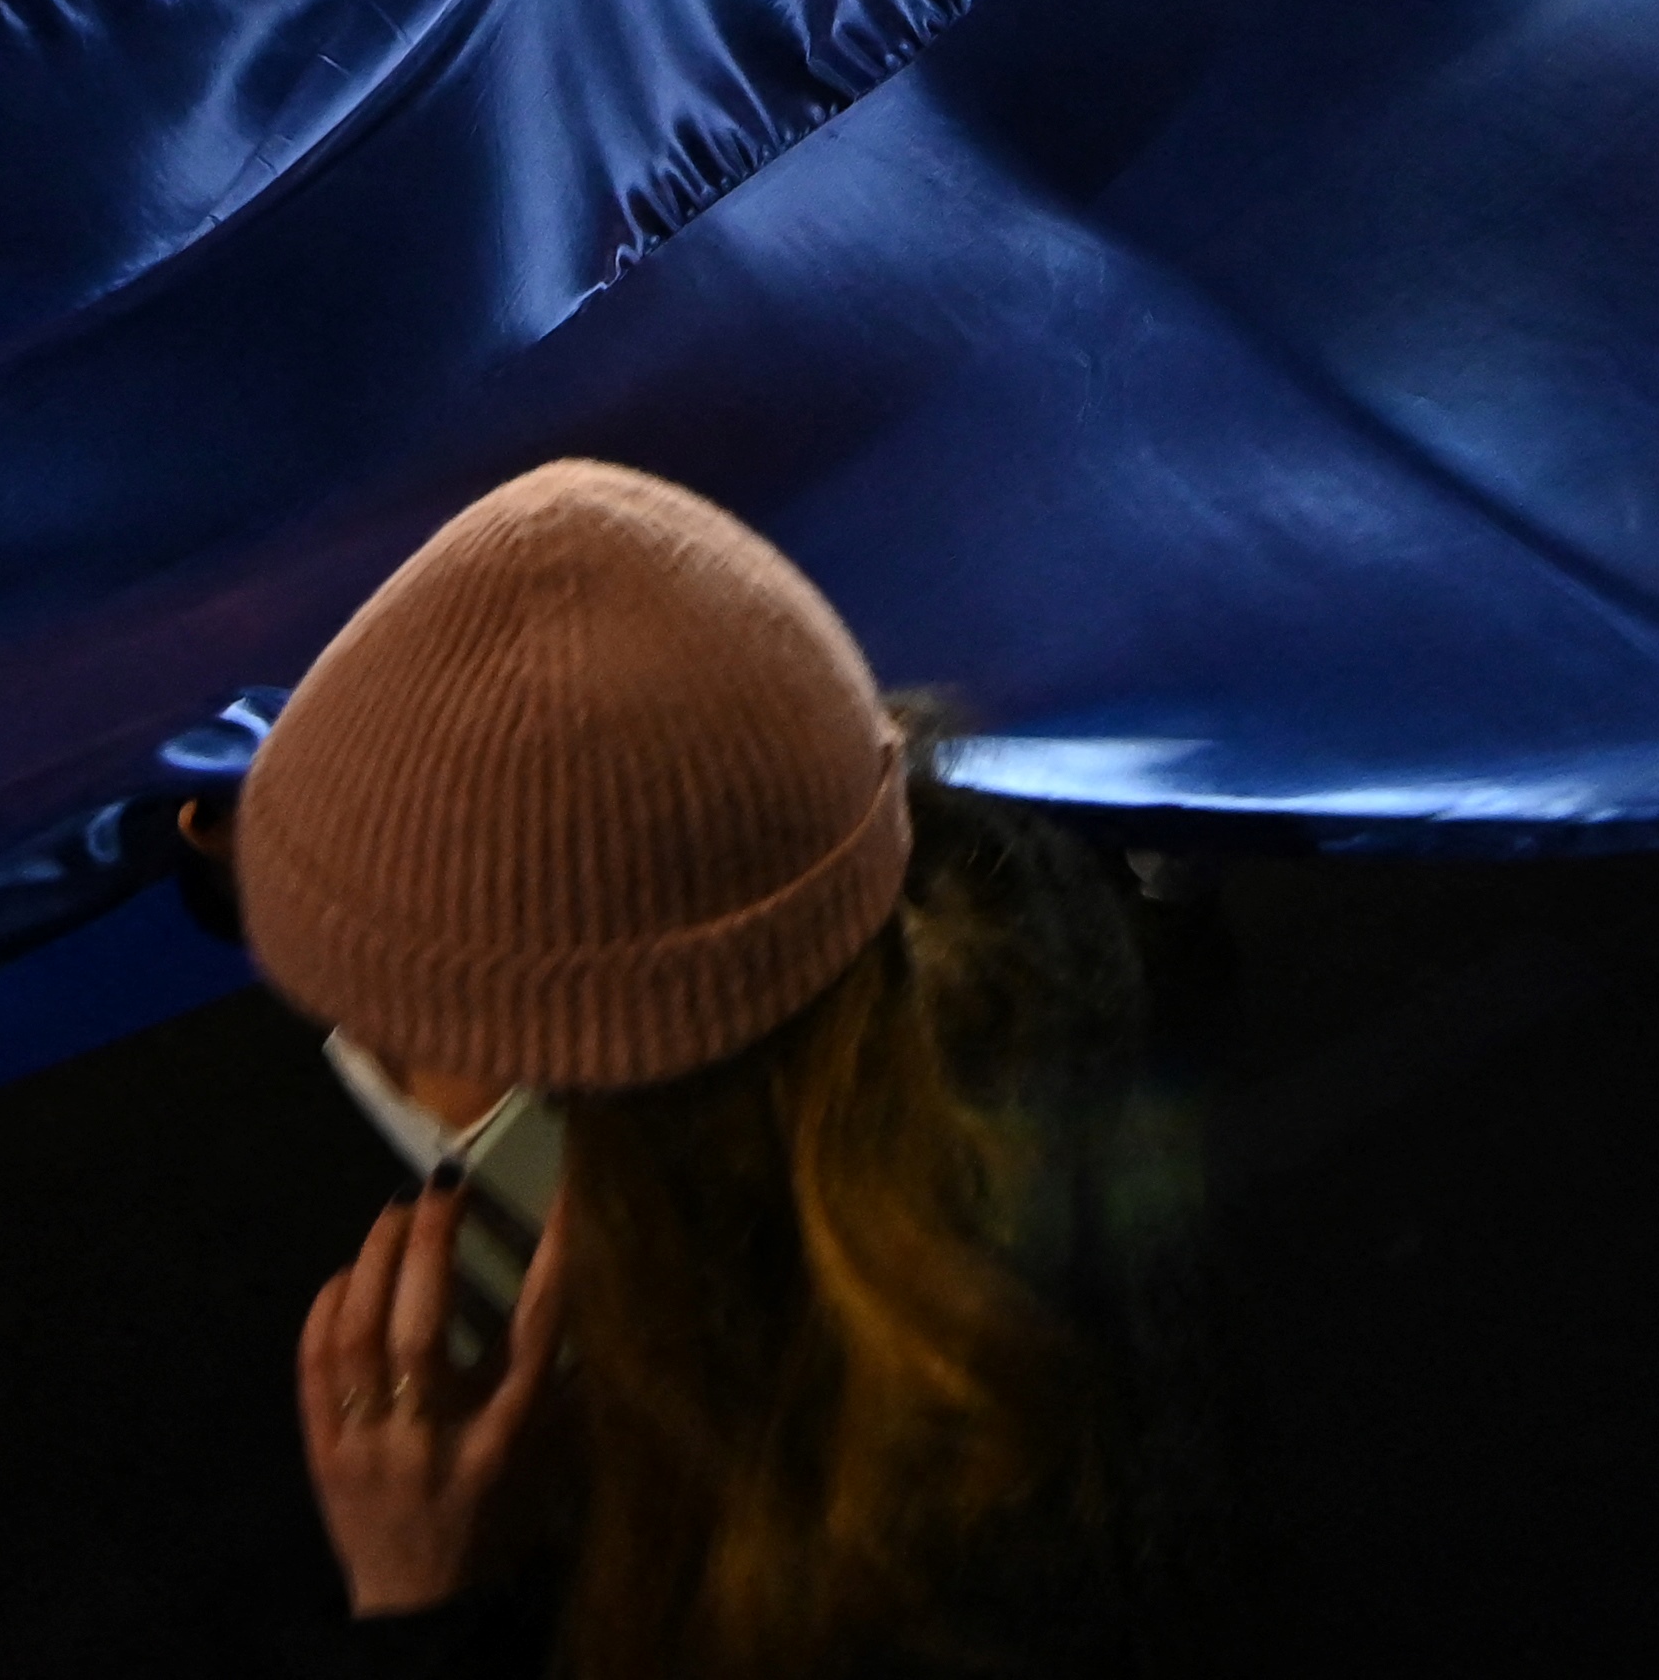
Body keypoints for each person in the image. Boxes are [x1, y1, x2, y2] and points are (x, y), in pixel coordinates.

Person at [232, 462, 1184, 1676]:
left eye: (402, 1026)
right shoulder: (984, 1025)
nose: (363, 1060)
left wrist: (427, 1607)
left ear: (609, 1101)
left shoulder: (956, 1568)